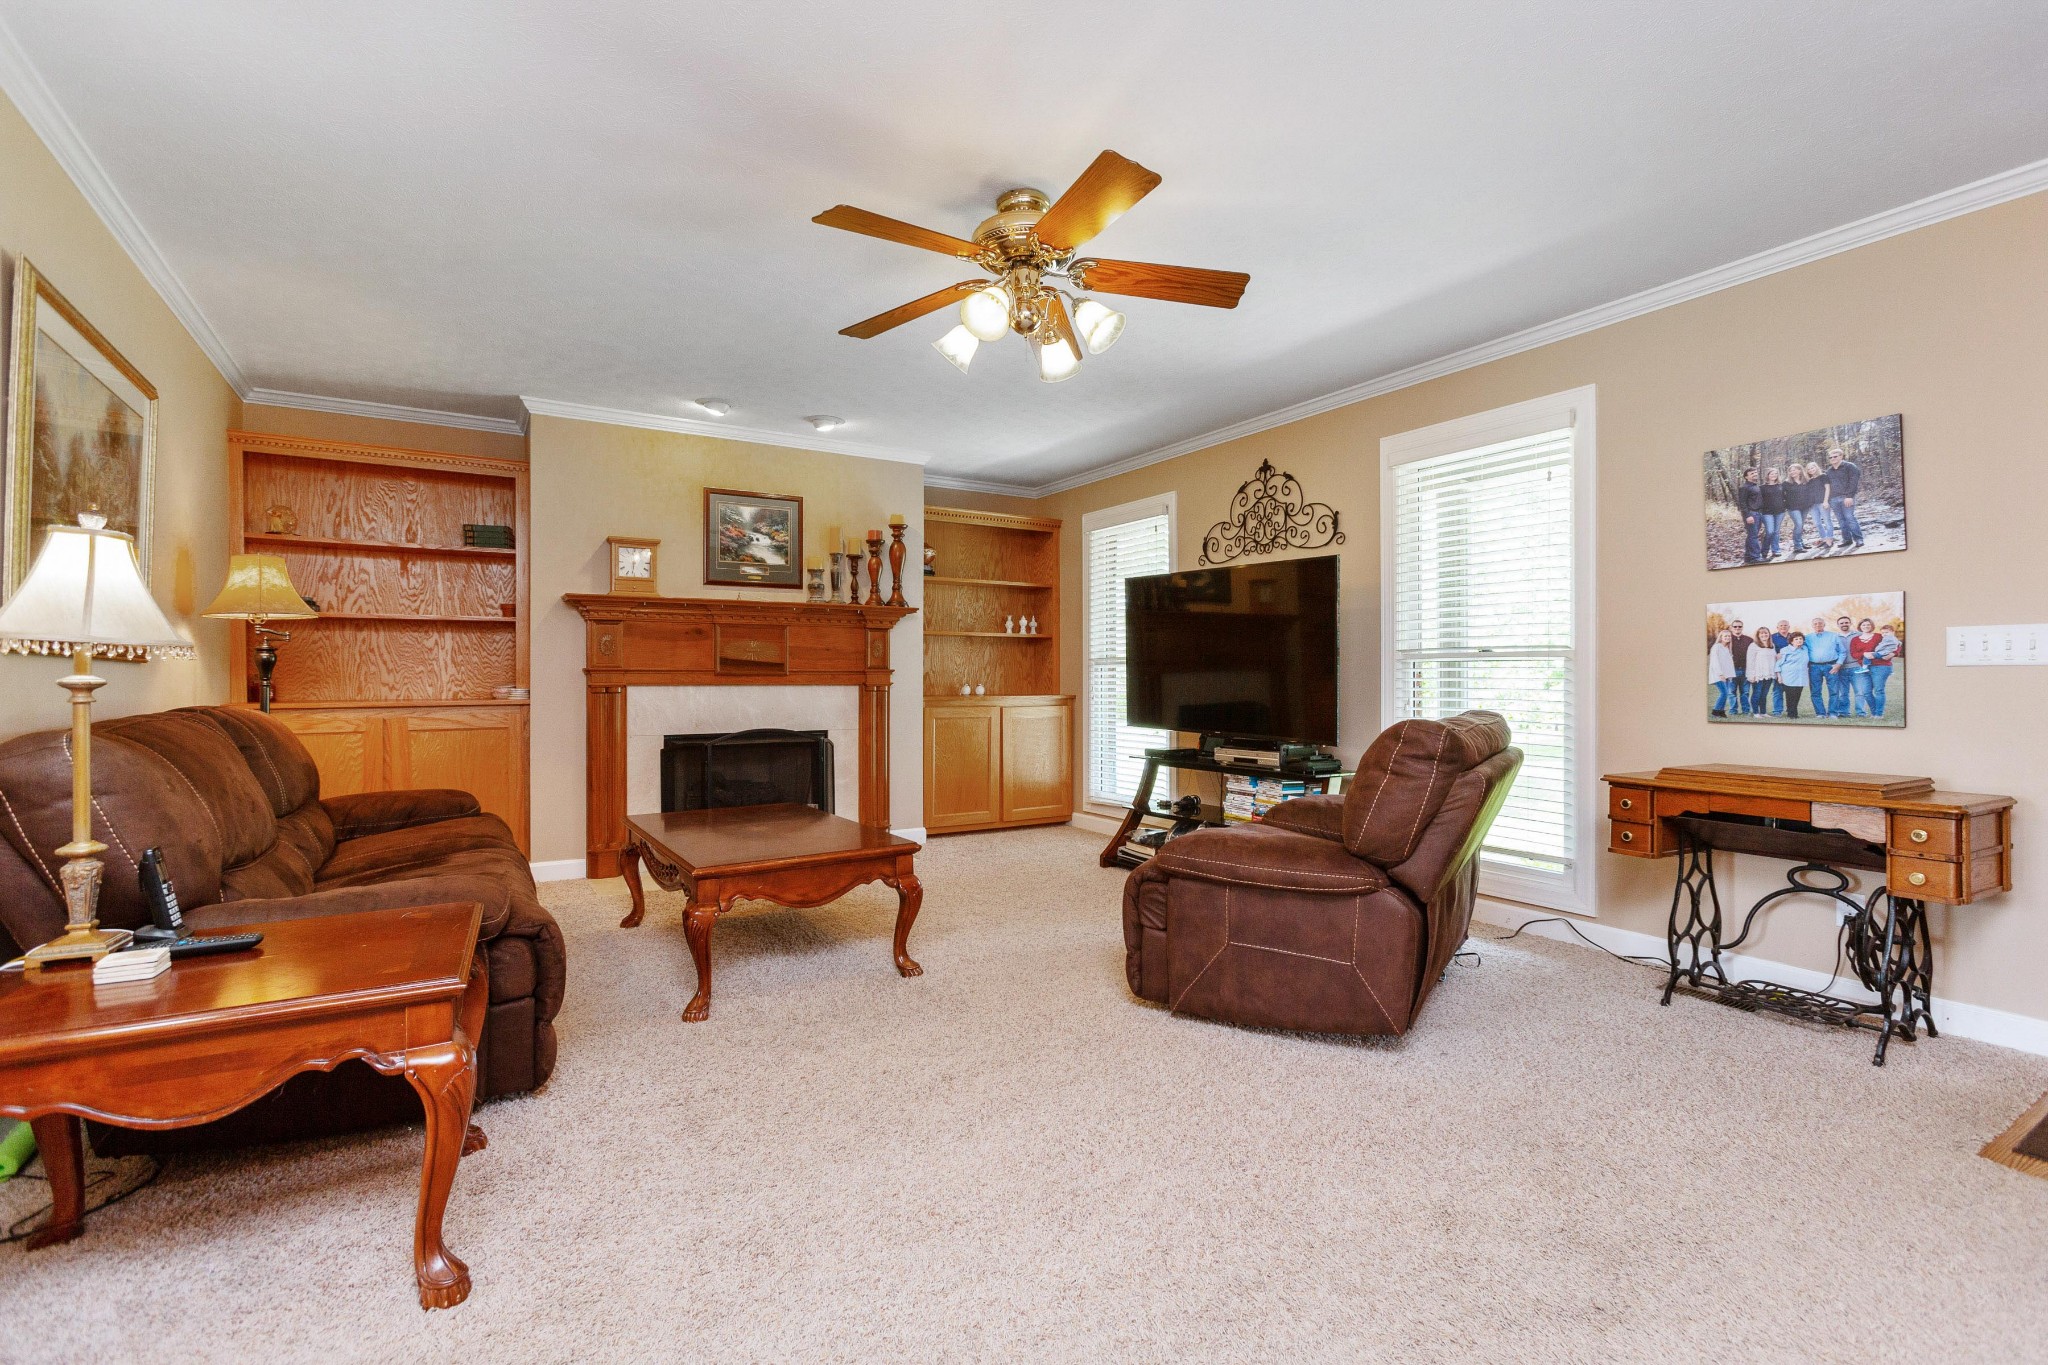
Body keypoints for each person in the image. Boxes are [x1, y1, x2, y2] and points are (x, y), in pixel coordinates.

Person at [1805, 615, 1848, 716]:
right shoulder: (1807, 638)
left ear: (1824, 624)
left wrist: (1838, 664)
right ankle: (1820, 713)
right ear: (1812, 625)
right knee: (1815, 691)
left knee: (1834, 691)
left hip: (1831, 666)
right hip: (1814, 667)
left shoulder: (1834, 635)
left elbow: (1842, 651)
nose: (1818, 625)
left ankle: (1833, 713)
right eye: (1815, 623)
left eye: (1820, 623)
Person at [1826, 446, 1866, 549]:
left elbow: (1853, 482)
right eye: (1830, 457)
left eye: (1835, 456)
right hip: (1833, 499)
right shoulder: (1829, 471)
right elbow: (1827, 486)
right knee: (1841, 520)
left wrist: (1849, 496)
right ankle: (1847, 540)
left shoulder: (1850, 467)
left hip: (1846, 497)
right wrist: (1828, 500)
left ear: (1841, 456)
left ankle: (1858, 539)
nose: (1832, 459)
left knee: (1849, 518)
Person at [1827, 614, 1858, 716]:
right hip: (1840, 668)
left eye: (1846, 622)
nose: (1844, 624)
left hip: (1856, 666)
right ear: (1838, 625)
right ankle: (1844, 712)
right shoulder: (1834, 636)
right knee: (1843, 693)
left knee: (1860, 692)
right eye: (1841, 623)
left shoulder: (1858, 634)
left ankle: (1861, 712)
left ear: (1850, 623)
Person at [1869, 622, 1901, 715]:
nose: (1866, 627)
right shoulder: (1879, 636)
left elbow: (1897, 645)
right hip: (1869, 666)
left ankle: (1878, 714)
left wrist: (1893, 653)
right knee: (1866, 692)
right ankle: (1874, 712)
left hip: (1882, 666)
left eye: (1868, 625)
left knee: (1878, 690)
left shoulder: (1882, 637)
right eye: (1883, 633)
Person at [1777, 631, 1810, 718]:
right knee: (1790, 696)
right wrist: (1779, 676)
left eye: (1800, 639)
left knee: (1797, 695)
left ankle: (1794, 713)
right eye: (1796, 639)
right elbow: (1778, 664)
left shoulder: (1805, 649)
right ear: (1791, 641)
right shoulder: (1785, 650)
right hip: (1789, 677)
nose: (1799, 640)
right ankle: (1791, 714)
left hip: (1801, 677)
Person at [1735, 467, 1764, 564]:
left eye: (1755, 472)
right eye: (1752, 473)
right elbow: (1742, 503)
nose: (1755, 474)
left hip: (1758, 513)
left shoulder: (1755, 486)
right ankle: (1756, 557)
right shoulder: (1744, 487)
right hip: (1751, 514)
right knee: (1753, 536)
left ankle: (1748, 557)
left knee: (1752, 535)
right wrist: (1748, 515)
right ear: (1746, 477)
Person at [1748, 626, 1778, 717]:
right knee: (1757, 693)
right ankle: (1756, 713)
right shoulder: (1753, 645)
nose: (1764, 635)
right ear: (1758, 635)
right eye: (1761, 633)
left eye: (1766, 633)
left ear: (1769, 634)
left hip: (1769, 674)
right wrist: (1751, 675)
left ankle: (1763, 712)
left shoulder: (1772, 645)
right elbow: (1750, 661)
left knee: (1764, 694)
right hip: (1758, 674)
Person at [1709, 628, 1739, 718]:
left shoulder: (1727, 648)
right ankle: (1715, 711)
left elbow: (1728, 664)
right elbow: (1715, 662)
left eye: (1729, 636)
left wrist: (1730, 675)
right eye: (1725, 636)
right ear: (1721, 637)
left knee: (1725, 693)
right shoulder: (1717, 647)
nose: (1728, 637)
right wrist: (1720, 674)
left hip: (1726, 676)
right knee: (1724, 693)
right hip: (1718, 675)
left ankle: (1721, 712)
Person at [1758, 468, 1787, 560]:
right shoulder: (1762, 487)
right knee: (1770, 531)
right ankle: (1764, 551)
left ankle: (1776, 550)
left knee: (1776, 532)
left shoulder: (1780, 486)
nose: (1774, 475)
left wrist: (1785, 506)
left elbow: (1785, 497)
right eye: (1771, 474)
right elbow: (1759, 501)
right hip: (1767, 513)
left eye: (1775, 474)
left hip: (1780, 512)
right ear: (1767, 475)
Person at [1726, 618, 1751, 714]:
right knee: (1731, 692)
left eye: (1739, 626)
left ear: (1742, 628)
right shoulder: (1727, 639)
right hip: (1731, 670)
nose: (1737, 628)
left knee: (1745, 692)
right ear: (1731, 628)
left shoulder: (1749, 640)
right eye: (1735, 626)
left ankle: (1746, 710)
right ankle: (1733, 710)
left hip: (1745, 670)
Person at [1769, 619, 1793, 714]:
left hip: (1791, 668)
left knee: (1790, 690)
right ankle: (1777, 711)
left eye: (1785, 625)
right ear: (1777, 627)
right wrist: (1776, 655)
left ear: (1789, 627)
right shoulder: (1772, 637)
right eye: (1781, 625)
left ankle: (1790, 710)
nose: (1783, 627)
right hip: (1778, 667)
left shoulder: (1793, 637)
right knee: (1778, 690)